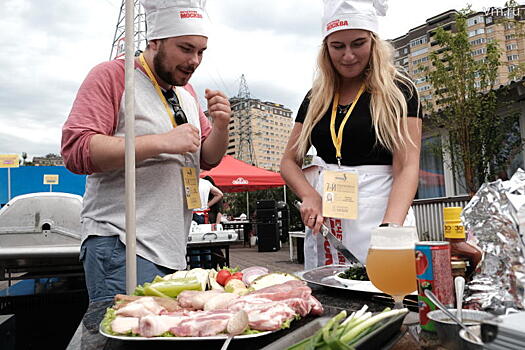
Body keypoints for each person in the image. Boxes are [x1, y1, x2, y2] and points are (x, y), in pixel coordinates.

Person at [61, 0, 231, 303]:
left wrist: (220, 125)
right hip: (122, 245)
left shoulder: (187, 92)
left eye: (201, 51)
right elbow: (76, 149)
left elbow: (207, 158)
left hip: (172, 248)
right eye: (185, 48)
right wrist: (161, 142)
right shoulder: (113, 76)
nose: (194, 61)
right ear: (155, 40)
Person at [280, 0, 422, 267]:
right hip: (328, 221)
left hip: (383, 213)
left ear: (373, 42)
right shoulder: (315, 98)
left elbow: (407, 166)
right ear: (326, 49)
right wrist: (309, 195)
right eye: (338, 46)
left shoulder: (401, 91)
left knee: (387, 294)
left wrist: (389, 231)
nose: (348, 56)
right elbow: (289, 162)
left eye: (358, 44)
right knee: (329, 297)